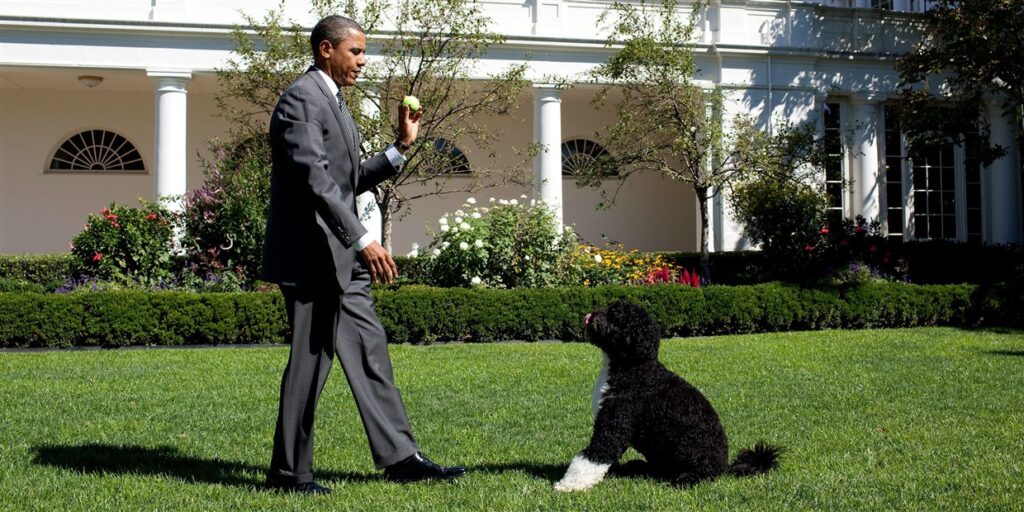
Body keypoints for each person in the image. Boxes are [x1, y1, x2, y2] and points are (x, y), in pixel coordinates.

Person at [261, 14, 466, 494]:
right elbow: (315, 179)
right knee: (310, 364)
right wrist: (363, 238)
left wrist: (399, 148)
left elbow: (347, 179)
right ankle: (289, 475)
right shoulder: (301, 99)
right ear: (326, 49)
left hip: (342, 261)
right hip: (311, 258)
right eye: (356, 51)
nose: (363, 61)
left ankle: (402, 458)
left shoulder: (333, 102)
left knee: (370, 351)